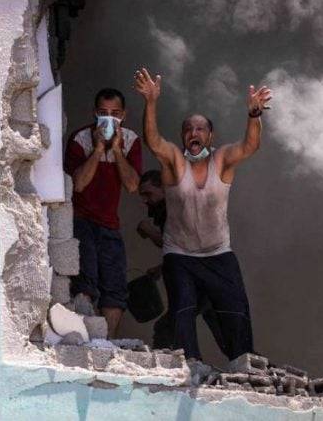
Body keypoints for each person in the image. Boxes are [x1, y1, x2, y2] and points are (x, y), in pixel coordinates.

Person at [133, 67, 272, 383]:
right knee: (182, 308)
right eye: (188, 129)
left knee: (234, 310)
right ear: (183, 136)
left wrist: (254, 114)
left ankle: (243, 364)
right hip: (180, 254)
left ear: (210, 136)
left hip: (218, 253)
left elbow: (249, 146)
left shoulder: (221, 160)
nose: (193, 133)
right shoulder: (174, 161)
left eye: (200, 129)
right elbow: (153, 141)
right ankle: (190, 364)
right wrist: (151, 101)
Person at [64, 88, 142, 338]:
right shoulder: (80, 139)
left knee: (115, 288)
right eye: (103, 113)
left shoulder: (130, 140)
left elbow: (132, 185)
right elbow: (78, 184)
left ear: (123, 115)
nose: (109, 119)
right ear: (94, 114)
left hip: (110, 224)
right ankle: (86, 339)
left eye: (115, 114)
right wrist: (98, 149)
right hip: (81, 220)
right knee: (84, 283)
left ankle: (106, 343)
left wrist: (117, 150)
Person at [138, 171, 228, 355]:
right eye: (142, 195)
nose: (145, 200)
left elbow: (177, 243)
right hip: (210, 279)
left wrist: (149, 230)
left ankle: (171, 367)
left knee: (167, 327)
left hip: (204, 282)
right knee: (228, 338)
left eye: (148, 194)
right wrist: (161, 268)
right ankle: (256, 367)